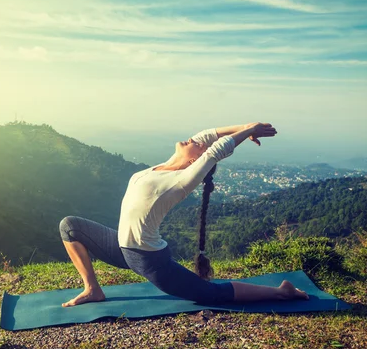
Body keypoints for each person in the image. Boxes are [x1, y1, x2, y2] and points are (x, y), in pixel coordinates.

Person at [59, 122, 309, 307]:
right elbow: (209, 136)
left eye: (196, 145)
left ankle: (282, 292)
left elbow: (215, 150)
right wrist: (245, 126)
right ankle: (92, 289)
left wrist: (249, 130)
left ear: (195, 163)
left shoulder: (180, 181)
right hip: (123, 248)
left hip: (149, 259)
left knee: (211, 294)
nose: (193, 140)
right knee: (70, 226)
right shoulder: (163, 166)